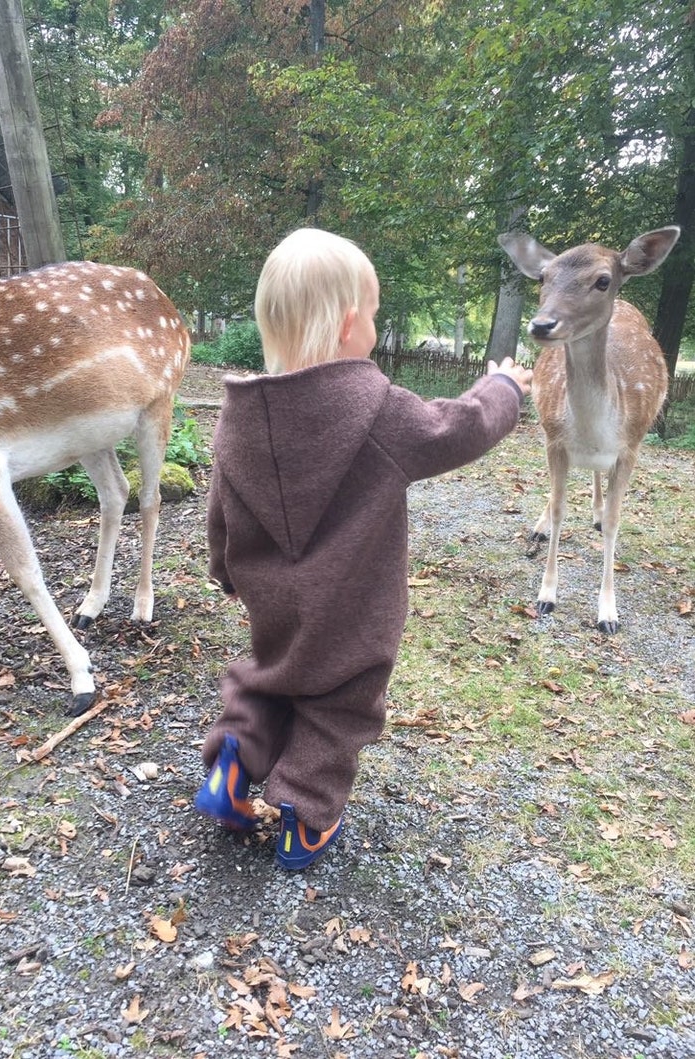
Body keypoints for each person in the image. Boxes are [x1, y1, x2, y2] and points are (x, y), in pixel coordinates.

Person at [195, 227, 533, 870]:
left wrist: (226, 571)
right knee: (338, 703)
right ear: (352, 322)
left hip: (272, 602)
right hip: (352, 607)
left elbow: (220, 508)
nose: (375, 326)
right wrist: (504, 390)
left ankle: (232, 767)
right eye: (375, 314)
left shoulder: (237, 416)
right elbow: (454, 429)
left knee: (268, 678)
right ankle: (306, 817)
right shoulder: (375, 409)